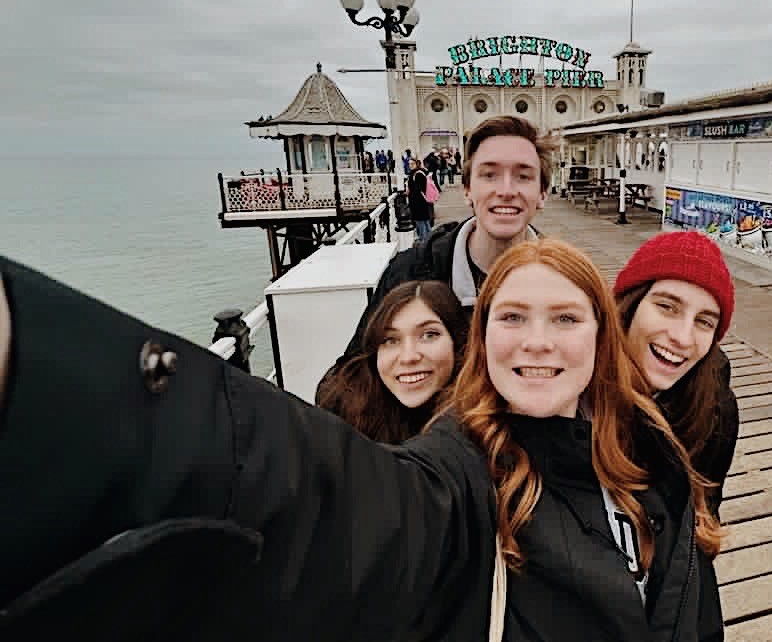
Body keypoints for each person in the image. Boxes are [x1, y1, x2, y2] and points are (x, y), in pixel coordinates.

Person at [0, 242, 725, 640]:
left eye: (566, 319)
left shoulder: (650, 458)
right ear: (484, 338)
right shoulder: (457, 469)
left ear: (603, 339)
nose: (537, 342)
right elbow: (320, 499)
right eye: (513, 317)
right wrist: (59, 374)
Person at [326, 115, 554, 372]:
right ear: (467, 190)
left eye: (523, 176)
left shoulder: (564, 281)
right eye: (489, 175)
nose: (506, 190)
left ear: (543, 193)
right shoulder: (409, 273)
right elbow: (348, 377)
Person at [614, 231, 739, 512]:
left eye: (704, 322)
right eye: (667, 307)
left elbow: (704, 518)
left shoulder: (716, 409)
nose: (683, 337)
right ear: (630, 306)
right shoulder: (574, 390)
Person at [315, 280, 468, 443]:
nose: (408, 357)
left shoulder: (483, 419)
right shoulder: (345, 410)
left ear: (458, 343)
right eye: (391, 340)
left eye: (429, 335)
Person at [407, 157, 434, 242]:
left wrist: (409, 191)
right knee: (425, 221)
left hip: (418, 202)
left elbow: (418, 189)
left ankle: (424, 242)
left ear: (416, 164)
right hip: (422, 201)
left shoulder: (417, 174)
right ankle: (430, 240)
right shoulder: (420, 172)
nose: (410, 166)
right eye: (409, 164)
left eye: (412, 164)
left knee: (420, 222)